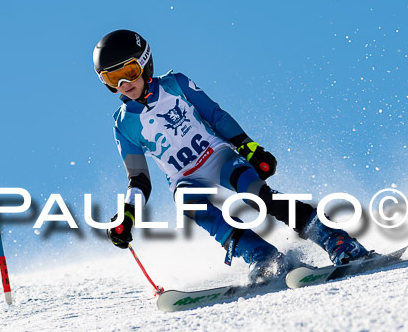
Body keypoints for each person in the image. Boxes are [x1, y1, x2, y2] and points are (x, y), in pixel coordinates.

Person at [93, 29, 369, 279]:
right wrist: (127, 215)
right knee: (191, 205)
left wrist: (250, 148)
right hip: (183, 178)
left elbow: (215, 115)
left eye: (128, 71)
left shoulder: (175, 84)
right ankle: (265, 258)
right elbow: (139, 179)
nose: (124, 83)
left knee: (257, 195)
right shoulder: (123, 124)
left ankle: (337, 240)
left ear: (144, 63)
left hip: (218, 157)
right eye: (112, 78)